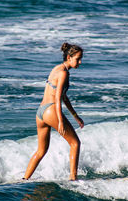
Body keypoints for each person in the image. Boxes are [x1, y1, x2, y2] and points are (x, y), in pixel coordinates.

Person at [23, 42, 84, 181]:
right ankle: (73, 178)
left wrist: (76, 116)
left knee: (41, 151)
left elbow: (63, 96)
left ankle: (24, 179)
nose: (80, 62)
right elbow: (57, 98)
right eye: (78, 59)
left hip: (41, 112)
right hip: (51, 110)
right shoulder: (63, 74)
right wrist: (60, 121)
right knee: (75, 143)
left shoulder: (57, 68)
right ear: (69, 57)